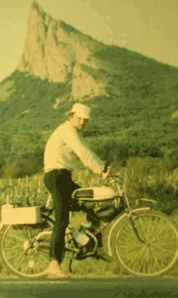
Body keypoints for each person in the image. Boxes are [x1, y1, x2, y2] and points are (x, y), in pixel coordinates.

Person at [43, 102, 110, 277]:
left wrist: (103, 168)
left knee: (91, 204)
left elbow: (87, 151)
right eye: (80, 118)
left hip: (64, 177)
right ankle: (53, 264)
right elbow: (83, 153)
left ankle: (93, 247)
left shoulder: (74, 133)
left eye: (85, 120)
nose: (83, 122)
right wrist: (101, 170)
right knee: (62, 219)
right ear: (71, 116)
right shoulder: (66, 131)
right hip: (56, 176)